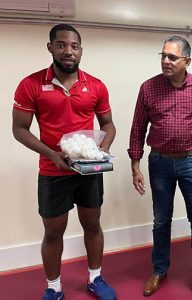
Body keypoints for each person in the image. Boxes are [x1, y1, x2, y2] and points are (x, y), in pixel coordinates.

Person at [12, 24, 116, 300]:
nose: (68, 51)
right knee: (53, 231)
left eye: (74, 46)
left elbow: (108, 125)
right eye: (61, 45)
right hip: (53, 170)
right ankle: (54, 287)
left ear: (81, 50)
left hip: (88, 171)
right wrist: (52, 155)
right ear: (51, 48)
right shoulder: (31, 84)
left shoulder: (95, 85)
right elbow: (19, 129)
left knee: (92, 224)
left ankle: (95, 279)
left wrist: (101, 151)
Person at [128, 36, 192, 297]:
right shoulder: (148, 88)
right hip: (159, 162)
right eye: (163, 55)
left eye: (172, 57)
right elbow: (137, 128)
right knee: (161, 220)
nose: (165, 61)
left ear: (187, 61)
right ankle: (159, 269)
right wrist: (136, 166)